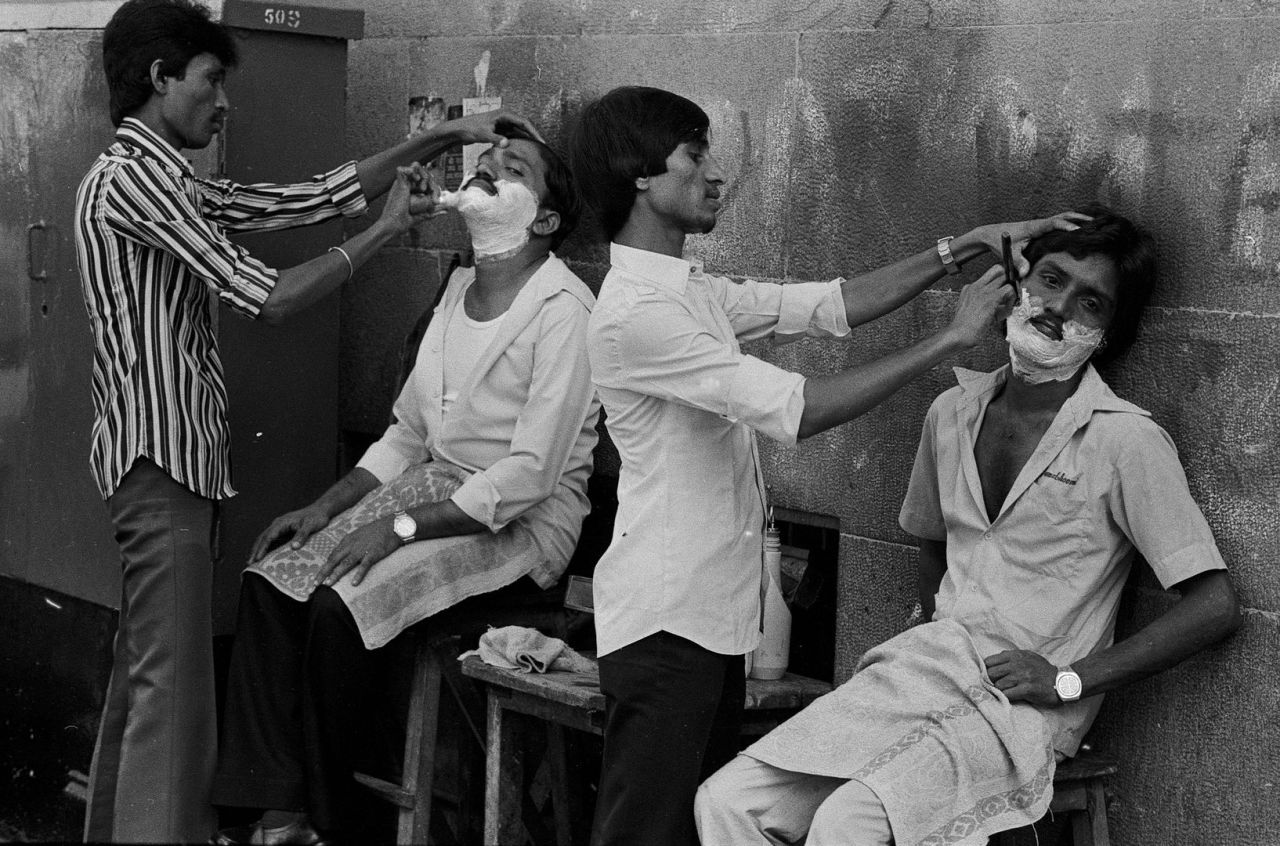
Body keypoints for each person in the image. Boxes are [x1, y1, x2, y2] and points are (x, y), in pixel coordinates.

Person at [75, 0, 545, 841]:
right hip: (159, 462)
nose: (225, 105)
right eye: (213, 81)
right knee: (174, 694)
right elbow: (273, 295)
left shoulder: (158, 176)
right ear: (159, 78)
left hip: (162, 463)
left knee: (147, 680)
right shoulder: (140, 178)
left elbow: (304, 198)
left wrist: (436, 141)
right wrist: (385, 232)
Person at [568, 84, 1086, 846]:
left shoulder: (689, 292)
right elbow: (798, 410)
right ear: (638, 174)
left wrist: (967, 243)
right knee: (645, 836)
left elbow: (832, 304)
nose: (715, 174)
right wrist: (948, 340)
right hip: (665, 623)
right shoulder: (638, 316)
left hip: (707, 622)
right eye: (694, 156)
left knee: (683, 828)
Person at [695, 206, 1242, 846]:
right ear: (1017, 282)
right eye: (1051, 280)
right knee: (728, 801)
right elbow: (932, 545)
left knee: (849, 823)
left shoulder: (1125, 441)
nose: (1059, 308)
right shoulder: (951, 412)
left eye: (1090, 302)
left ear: (1108, 331)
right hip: (922, 671)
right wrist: (948, 628)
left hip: (1025, 710)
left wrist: (1069, 679)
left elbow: (1215, 605)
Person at [210, 127, 598, 844]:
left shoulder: (564, 312)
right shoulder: (455, 289)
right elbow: (406, 437)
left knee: (338, 604)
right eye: (485, 163)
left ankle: (339, 825)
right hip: (431, 488)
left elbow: (529, 474)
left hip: (519, 525)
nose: (487, 172)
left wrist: (396, 527)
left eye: (512, 169)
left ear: (544, 221)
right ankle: (275, 814)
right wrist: (325, 507)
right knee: (271, 581)